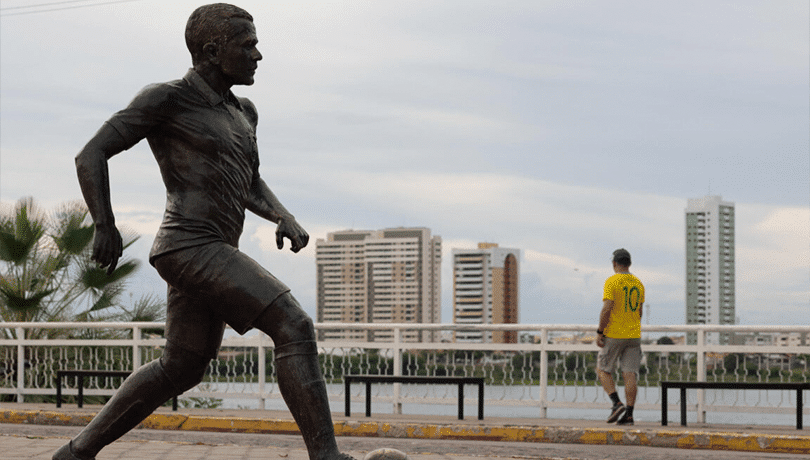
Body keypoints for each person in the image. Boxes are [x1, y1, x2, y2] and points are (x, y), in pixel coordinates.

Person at [55, 4, 356, 460]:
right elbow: (91, 154)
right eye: (248, 45)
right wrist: (104, 224)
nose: (258, 55)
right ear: (214, 51)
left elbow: (248, 180)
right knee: (294, 324)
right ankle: (326, 457)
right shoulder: (166, 98)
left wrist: (282, 215)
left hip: (211, 249)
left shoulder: (244, 113)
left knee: (184, 364)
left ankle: (75, 453)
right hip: (188, 244)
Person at [595, 248, 644, 426]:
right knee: (630, 374)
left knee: (602, 369)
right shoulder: (638, 283)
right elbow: (639, 312)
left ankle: (616, 403)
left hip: (615, 333)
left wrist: (600, 332)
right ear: (629, 263)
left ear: (614, 263)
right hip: (634, 334)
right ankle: (629, 415)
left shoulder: (612, 282)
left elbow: (607, 308)